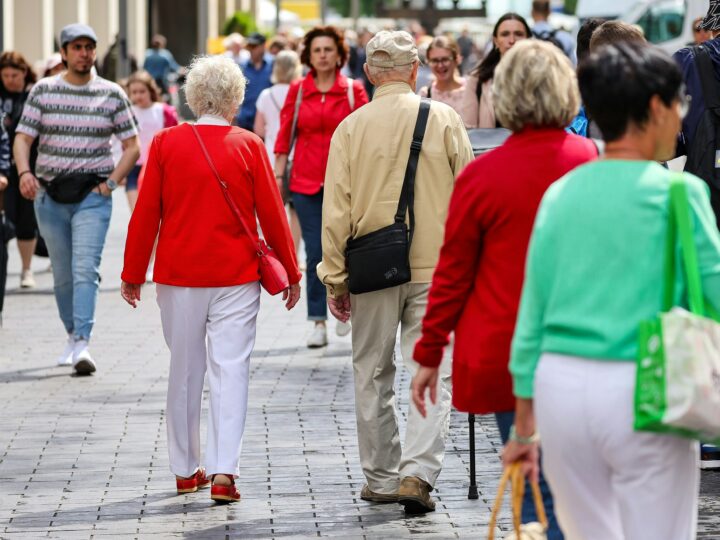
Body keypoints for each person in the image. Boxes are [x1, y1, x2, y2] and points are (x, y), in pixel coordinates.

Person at [502, 41, 709, 539]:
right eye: (678, 104)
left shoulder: (563, 191)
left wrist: (524, 426)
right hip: (649, 387)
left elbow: (532, 312)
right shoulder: (679, 192)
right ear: (657, 108)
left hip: (561, 391)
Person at [411, 39, 598, 539]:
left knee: (534, 484)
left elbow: (452, 274)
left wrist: (429, 353)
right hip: (583, 347)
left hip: (506, 350)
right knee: (576, 487)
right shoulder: (590, 161)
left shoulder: (481, 176)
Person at [121, 54, 301, 504]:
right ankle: (224, 471)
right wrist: (292, 271)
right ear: (236, 99)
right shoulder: (249, 144)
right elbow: (273, 214)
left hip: (179, 274)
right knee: (231, 369)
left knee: (184, 370)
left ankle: (185, 469)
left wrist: (132, 273)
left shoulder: (164, 143)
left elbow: (146, 214)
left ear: (191, 97)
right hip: (236, 274)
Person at [317, 30, 474, 514]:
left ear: (368, 74)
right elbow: (469, 196)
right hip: (437, 267)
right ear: (414, 70)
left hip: (370, 266)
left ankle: (382, 477)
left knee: (371, 371)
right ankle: (417, 473)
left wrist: (335, 277)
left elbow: (335, 212)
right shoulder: (444, 118)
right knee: (430, 369)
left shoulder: (350, 127)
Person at [13, 23, 140, 373]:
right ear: (65, 52)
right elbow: (23, 139)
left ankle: (83, 343)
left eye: (89, 47)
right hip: (48, 195)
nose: (84, 53)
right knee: (63, 275)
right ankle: (72, 334)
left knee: (86, 270)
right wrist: (24, 173)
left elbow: (132, 146)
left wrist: (112, 183)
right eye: (77, 47)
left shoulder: (112, 93)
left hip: (92, 195)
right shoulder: (43, 91)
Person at [274, 26, 369, 348]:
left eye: (329, 49)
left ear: (340, 54)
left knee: (351, 250)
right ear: (309, 56)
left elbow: (368, 138)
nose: (323, 55)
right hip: (305, 183)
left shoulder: (354, 90)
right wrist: (277, 176)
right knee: (316, 252)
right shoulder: (299, 90)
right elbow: (285, 133)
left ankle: (349, 306)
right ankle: (318, 320)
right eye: (317, 50)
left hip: (349, 185)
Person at [673, 0, 720, 470]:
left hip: (706, 204)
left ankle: (710, 424)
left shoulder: (689, 63)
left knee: (705, 308)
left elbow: (668, 139)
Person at [254, 51, 303, 258]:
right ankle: (292, 254)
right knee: (296, 212)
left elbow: (259, 130)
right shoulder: (300, 92)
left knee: (273, 210)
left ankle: (274, 253)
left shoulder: (267, 95)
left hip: (273, 157)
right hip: (297, 155)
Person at [0, 51, 38, 288]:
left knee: (26, 219)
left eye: (14, 74)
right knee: (5, 219)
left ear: (24, 72)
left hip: (29, 168)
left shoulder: (34, 95)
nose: (10, 79)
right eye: (5, 75)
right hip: (4, 170)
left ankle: (26, 269)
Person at [459, 13, 531, 128]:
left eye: (518, 34)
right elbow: (468, 129)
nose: (512, 40)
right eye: (505, 34)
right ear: (496, 41)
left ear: (528, 39)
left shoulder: (541, 77)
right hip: (490, 145)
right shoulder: (478, 78)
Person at [125, 70, 178, 212]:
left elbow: (174, 141)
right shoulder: (127, 113)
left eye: (142, 91)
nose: (138, 95)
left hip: (157, 167)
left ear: (150, 91)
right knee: (137, 214)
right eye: (134, 92)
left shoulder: (164, 111)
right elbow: (121, 142)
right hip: (133, 167)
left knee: (155, 214)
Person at [235, 33, 273, 132]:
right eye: (250, 47)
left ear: (263, 46)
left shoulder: (273, 65)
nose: (251, 50)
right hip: (245, 122)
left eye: (254, 46)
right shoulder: (242, 67)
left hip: (267, 123)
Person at [418, 36, 465, 115]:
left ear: (456, 59)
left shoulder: (471, 90)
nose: (440, 65)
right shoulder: (425, 95)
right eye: (434, 60)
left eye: (445, 59)